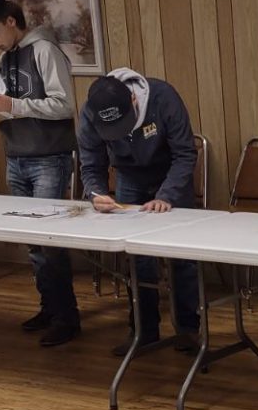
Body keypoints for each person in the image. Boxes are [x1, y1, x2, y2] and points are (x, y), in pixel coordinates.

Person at [0, 0, 79, 347]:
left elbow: (64, 105)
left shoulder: (44, 50)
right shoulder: (6, 59)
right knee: (33, 242)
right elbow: (13, 106)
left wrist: (15, 105)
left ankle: (66, 317)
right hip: (17, 154)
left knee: (50, 240)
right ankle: (49, 307)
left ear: (10, 21)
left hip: (48, 156)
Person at [77, 69, 201, 354]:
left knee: (181, 255)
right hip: (129, 177)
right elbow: (90, 162)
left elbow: (185, 154)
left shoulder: (163, 97)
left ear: (133, 100)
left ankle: (188, 329)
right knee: (136, 257)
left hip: (169, 174)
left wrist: (167, 195)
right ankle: (144, 331)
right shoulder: (92, 111)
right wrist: (96, 193)